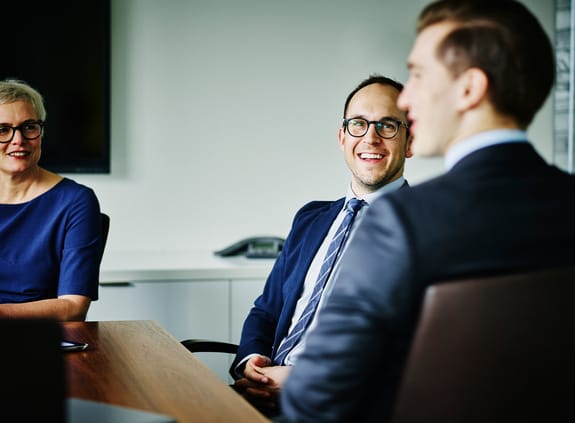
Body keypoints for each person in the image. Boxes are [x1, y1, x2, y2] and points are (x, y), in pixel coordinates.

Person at [280, 1, 575, 422]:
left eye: (417, 75)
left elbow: (312, 399)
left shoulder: (400, 222)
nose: (407, 97)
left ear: (469, 89)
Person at [230, 74, 413, 414]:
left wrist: (302, 382)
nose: (370, 138)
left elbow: (410, 353)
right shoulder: (310, 218)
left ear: (410, 141)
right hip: (262, 394)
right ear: (343, 137)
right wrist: (251, 364)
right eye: (358, 124)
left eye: (388, 125)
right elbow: (265, 311)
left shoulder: (425, 228)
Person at [0, 79, 102, 321]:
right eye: (2, 129)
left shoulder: (76, 201)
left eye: (29, 126)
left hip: (37, 342)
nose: (18, 140)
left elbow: (73, 306)